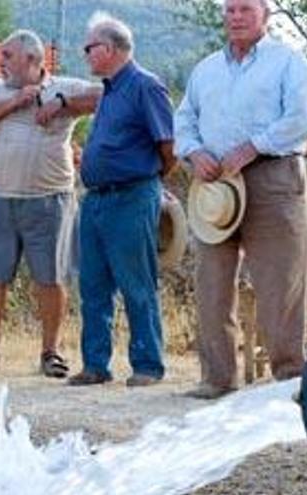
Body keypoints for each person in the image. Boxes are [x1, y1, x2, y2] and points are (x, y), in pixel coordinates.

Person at [174, 0, 307, 399]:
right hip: (215, 183)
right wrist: (194, 151)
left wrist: (256, 145)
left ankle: (289, 379)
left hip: (273, 177)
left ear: (265, 15)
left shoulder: (289, 62)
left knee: (280, 281)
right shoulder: (206, 69)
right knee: (211, 281)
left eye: (245, 9)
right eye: (230, 9)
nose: (236, 16)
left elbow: (302, 117)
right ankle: (217, 378)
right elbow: (183, 119)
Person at [0, 29, 100, 378]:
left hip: (51, 200)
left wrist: (61, 104)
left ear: (33, 60)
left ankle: (50, 352)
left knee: (51, 279)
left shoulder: (63, 86)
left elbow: (104, 95)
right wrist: (15, 101)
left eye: (7, 56)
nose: (0, 62)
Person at [66, 13, 176, 388]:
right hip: (96, 200)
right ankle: (96, 364)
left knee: (136, 283)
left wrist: (148, 185)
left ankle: (147, 365)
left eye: (89, 48)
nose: (86, 55)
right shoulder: (109, 91)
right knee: (92, 284)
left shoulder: (146, 86)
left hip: (131, 196)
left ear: (110, 49)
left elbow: (168, 146)